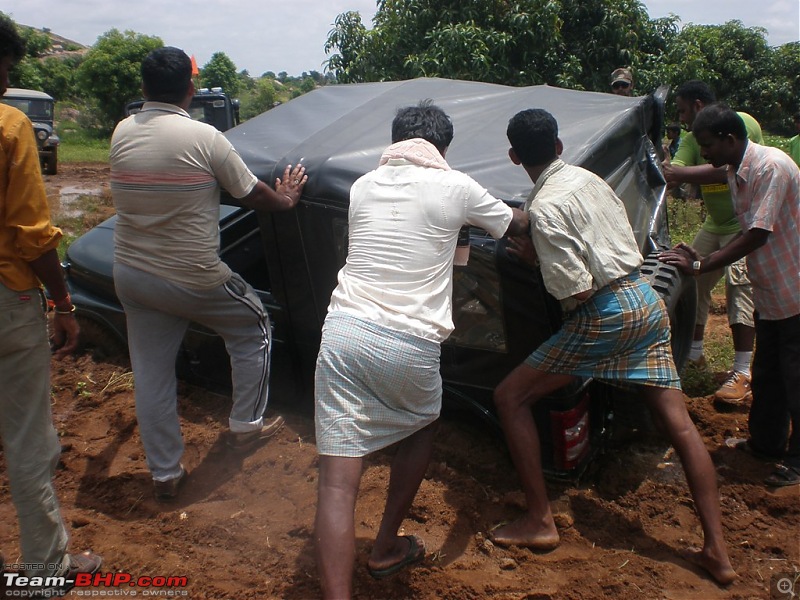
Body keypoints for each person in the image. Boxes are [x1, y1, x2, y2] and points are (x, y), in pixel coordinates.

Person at [490, 108, 736, 586]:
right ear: (559, 147)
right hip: (644, 301)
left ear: (514, 156)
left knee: (509, 397)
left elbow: (576, 292)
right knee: (680, 426)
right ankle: (717, 552)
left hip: (603, 313)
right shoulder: (590, 179)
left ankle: (539, 520)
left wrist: (535, 259)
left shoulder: (543, 211)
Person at [313, 100, 529, 599]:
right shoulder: (457, 186)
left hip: (343, 330)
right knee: (420, 426)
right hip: (409, 341)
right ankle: (386, 545)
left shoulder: (363, 185)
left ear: (395, 141)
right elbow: (515, 226)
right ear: (443, 148)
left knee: (337, 482)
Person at [110, 46, 306, 501]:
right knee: (253, 324)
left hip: (133, 274)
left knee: (152, 374)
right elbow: (252, 192)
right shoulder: (205, 137)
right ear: (191, 90)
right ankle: (245, 427)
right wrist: (287, 200)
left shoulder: (121, 132)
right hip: (193, 274)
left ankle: (165, 473)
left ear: (143, 89)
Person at [0, 14, 102, 595]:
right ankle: (45, 570)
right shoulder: (10, 127)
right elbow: (33, 234)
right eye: (6, 67)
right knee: (28, 438)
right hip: (8, 298)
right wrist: (62, 302)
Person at [660, 103, 800, 488]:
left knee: (796, 378)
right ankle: (767, 445)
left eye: (707, 145)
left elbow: (757, 233)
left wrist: (703, 265)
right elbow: (715, 179)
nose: (703, 153)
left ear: (730, 139)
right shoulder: (735, 169)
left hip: (795, 290)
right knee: (768, 373)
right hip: (773, 292)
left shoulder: (770, 167)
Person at [662, 80, 762, 405]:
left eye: (681, 110)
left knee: (739, 286)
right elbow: (675, 168)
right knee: (696, 280)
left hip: (742, 222)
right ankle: (693, 354)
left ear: (698, 105)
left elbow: (726, 170)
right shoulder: (694, 139)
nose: (681, 118)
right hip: (715, 222)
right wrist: (674, 171)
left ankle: (742, 371)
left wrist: (683, 175)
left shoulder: (742, 126)